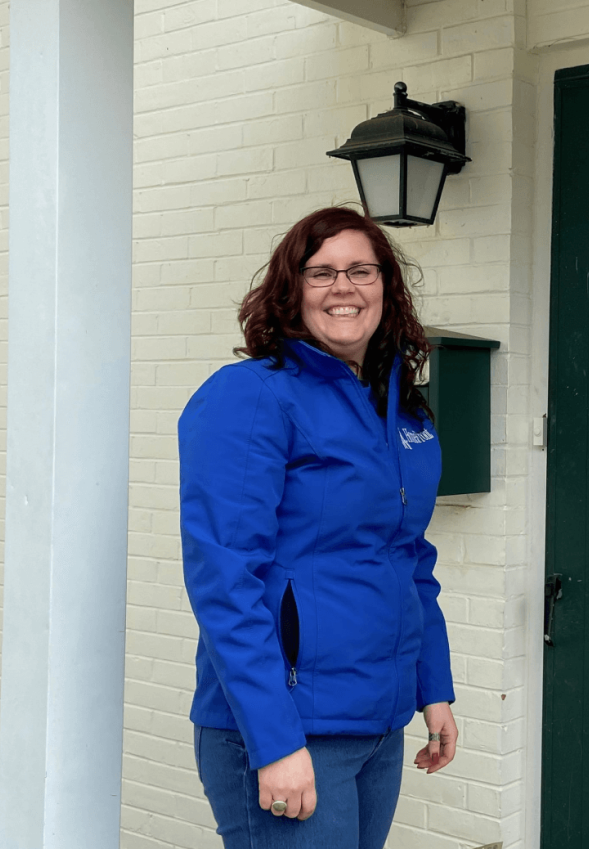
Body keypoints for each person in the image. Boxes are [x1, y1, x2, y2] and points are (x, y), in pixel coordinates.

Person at [177, 207, 457, 849]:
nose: (343, 287)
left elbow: (410, 557)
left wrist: (431, 687)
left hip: (377, 725)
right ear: (291, 289)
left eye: (361, 269)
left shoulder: (399, 407)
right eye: (321, 272)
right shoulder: (251, 396)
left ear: (386, 284)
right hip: (289, 727)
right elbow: (225, 580)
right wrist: (275, 742)